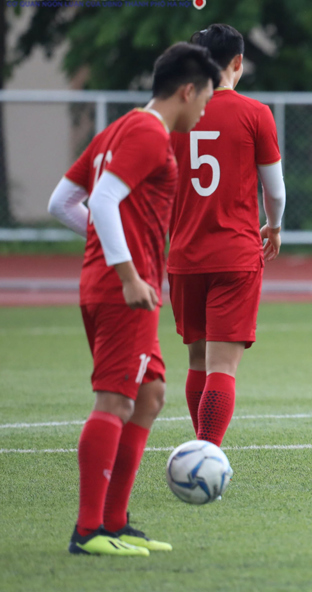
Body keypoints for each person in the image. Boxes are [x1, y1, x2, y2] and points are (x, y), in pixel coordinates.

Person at [47, 43, 219, 556]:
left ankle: (115, 523)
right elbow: (99, 201)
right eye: (205, 99)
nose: (206, 109)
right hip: (125, 289)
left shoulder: (117, 129)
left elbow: (61, 203)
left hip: (119, 283)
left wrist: (110, 251)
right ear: (187, 90)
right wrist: (125, 271)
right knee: (116, 400)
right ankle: (88, 531)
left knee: (148, 395)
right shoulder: (148, 133)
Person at [167, 24, 285, 446]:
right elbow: (275, 190)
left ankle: (199, 451)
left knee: (197, 360)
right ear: (238, 62)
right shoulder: (255, 113)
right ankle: (207, 455)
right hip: (235, 254)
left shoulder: (175, 113)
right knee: (222, 367)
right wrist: (274, 225)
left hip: (183, 254)